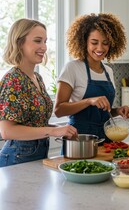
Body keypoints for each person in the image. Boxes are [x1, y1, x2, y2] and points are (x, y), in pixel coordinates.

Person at [0, 19, 78, 167]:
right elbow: (7, 131)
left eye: (45, 41)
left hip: (37, 154)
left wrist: (59, 130)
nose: (44, 47)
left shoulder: (37, 78)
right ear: (19, 43)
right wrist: (53, 131)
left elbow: (34, 123)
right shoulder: (13, 79)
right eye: (37, 41)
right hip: (16, 158)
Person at [54, 13, 129, 142]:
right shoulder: (72, 68)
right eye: (94, 42)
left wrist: (117, 110)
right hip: (79, 140)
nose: (100, 48)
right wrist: (88, 101)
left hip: (106, 139)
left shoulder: (108, 71)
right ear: (84, 41)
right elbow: (58, 110)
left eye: (105, 43)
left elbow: (101, 113)